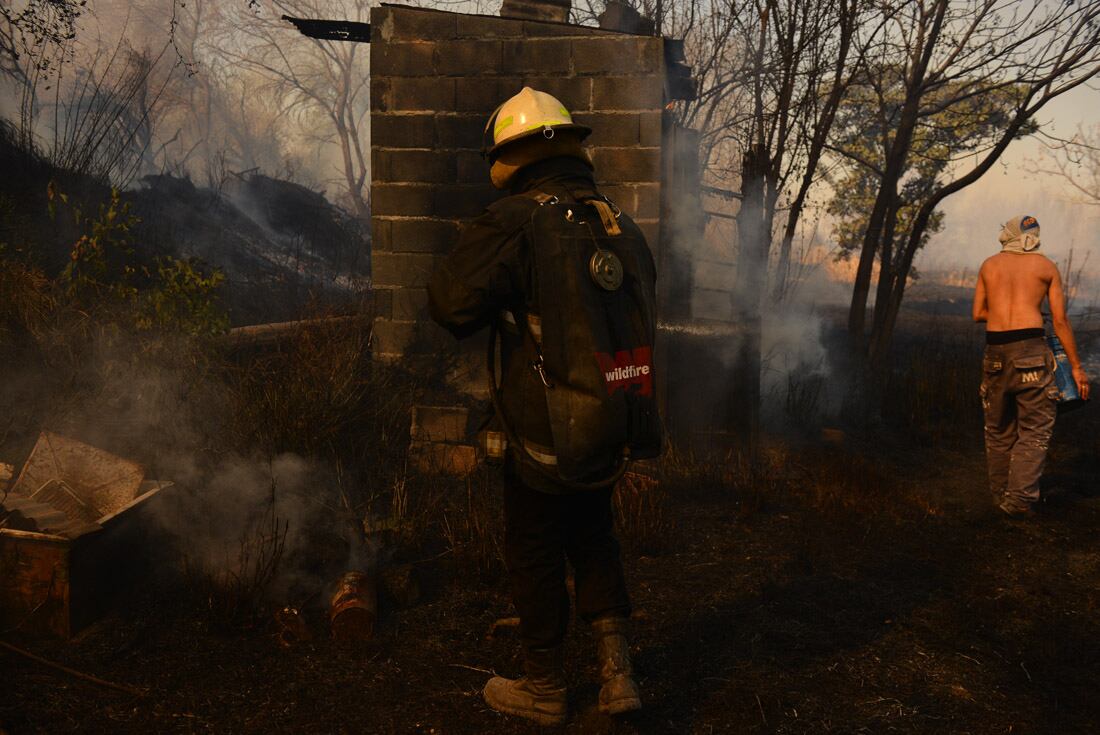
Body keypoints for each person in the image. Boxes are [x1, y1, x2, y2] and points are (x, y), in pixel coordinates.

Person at [428, 87, 658, 725]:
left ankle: (545, 687)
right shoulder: (617, 221)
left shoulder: (518, 219)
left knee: (532, 545)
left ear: (511, 156)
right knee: (593, 534)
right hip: (612, 417)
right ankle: (619, 676)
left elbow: (449, 305)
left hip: (544, 427)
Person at [972, 214, 1090, 516]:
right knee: (1034, 430)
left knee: (998, 429)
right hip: (1031, 351)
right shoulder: (1046, 267)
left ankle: (1000, 496)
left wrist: (1004, 311)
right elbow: (1061, 321)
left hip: (995, 350)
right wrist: (1076, 367)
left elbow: (978, 313)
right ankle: (1019, 502)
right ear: (1033, 238)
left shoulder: (989, 265)